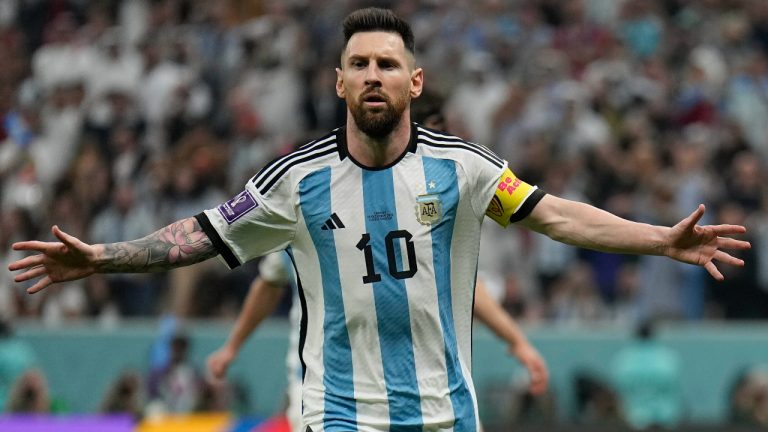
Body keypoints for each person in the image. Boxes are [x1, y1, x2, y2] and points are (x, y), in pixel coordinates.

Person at [7, 7, 751, 431]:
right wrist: (102, 256)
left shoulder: (462, 168)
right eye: (359, 64)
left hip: (444, 417)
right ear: (337, 81)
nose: (372, 75)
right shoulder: (293, 181)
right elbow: (199, 236)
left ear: (414, 81)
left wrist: (658, 238)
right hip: (338, 419)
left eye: (387, 65)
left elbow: (554, 216)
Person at [206, 253, 547, 432]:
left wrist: (516, 339)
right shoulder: (307, 204)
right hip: (327, 390)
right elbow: (268, 283)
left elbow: (467, 285)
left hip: (418, 383)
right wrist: (232, 346)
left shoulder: (429, 201)